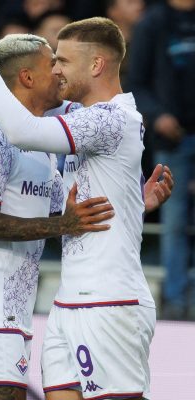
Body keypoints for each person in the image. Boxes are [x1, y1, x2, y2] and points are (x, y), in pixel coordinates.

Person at [0, 17, 173, 400]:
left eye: (63, 61)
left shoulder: (111, 118)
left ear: (96, 65)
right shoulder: (78, 116)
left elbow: (24, 130)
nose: (54, 70)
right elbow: (24, 105)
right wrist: (133, 204)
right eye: (52, 62)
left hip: (110, 298)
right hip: (67, 302)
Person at [0, 33, 117, 400]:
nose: (58, 71)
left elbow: (54, 217)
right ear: (27, 77)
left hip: (13, 305)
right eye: (50, 64)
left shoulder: (42, 142)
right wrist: (61, 224)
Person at [129, 0, 195, 320]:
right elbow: (136, 83)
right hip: (173, 137)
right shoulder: (151, 23)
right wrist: (157, 116)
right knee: (175, 223)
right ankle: (176, 298)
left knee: (177, 223)